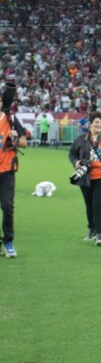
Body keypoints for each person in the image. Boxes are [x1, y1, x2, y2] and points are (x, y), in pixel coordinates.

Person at [69, 112, 101, 246]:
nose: (98, 124)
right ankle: (92, 229)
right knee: (89, 206)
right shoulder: (81, 139)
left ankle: (99, 234)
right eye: (96, 122)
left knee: (98, 206)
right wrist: (76, 163)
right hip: (85, 177)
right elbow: (72, 154)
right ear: (90, 123)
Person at [0, 93, 27, 258]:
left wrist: (15, 139)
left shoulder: (10, 119)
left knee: (7, 206)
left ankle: (8, 241)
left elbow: (24, 142)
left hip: (7, 170)